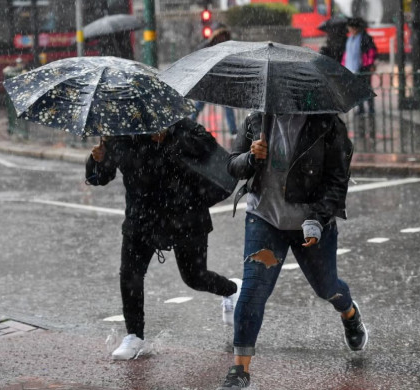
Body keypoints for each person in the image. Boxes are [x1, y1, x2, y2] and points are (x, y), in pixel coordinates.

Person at [216, 112, 367, 389]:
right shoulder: (256, 118)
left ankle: (349, 313)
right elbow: (232, 165)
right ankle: (239, 371)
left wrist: (319, 219)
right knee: (253, 290)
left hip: (311, 223)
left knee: (326, 287)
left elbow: (337, 179)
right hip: (264, 217)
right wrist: (251, 157)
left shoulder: (327, 124)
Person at [85, 117, 241, 360]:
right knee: (130, 275)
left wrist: (170, 138)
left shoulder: (178, 124)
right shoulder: (119, 133)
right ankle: (135, 336)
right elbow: (99, 178)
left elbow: (211, 150)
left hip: (186, 214)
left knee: (194, 277)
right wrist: (97, 160)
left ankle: (231, 289)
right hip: (141, 218)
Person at [192, 23, 238, 136]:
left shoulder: (228, 48)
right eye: (220, 35)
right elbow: (198, 54)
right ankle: (190, 123)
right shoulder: (208, 46)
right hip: (208, 82)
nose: (222, 38)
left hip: (221, 83)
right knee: (199, 105)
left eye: (223, 35)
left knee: (228, 107)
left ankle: (233, 130)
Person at [342, 17, 377, 115]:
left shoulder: (365, 38)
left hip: (363, 67)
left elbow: (371, 52)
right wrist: (343, 65)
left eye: (351, 28)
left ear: (356, 28)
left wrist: (370, 64)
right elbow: (347, 54)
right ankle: (361, 108)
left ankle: (371, 108)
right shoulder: (350, 39)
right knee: (357, 89)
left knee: (366, 88)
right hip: (352, 68)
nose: (349, 30)